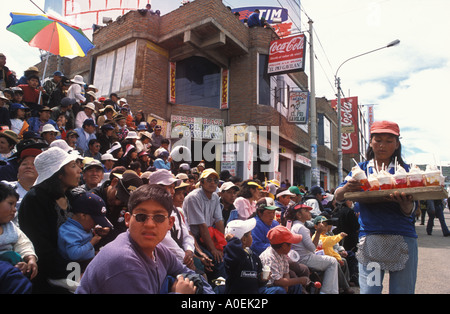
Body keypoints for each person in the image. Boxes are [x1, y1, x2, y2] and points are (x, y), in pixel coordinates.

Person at [76, 184, 214, 294]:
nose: (149, 224)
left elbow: (191, 274)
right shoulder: (123, 261)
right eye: (141, 216)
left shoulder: (160, 251)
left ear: (170, 223)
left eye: (159, 217)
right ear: (128, 220)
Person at [334, 120, 418, 294]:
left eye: (389, 141)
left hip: (403, 238)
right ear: (371, 142)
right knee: (370, 291)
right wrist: (346, 188)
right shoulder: (361, 170)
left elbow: (410, 210)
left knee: (402, 291)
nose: (382, 145)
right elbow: (338, 196)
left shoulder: (407, 172)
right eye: (378, 140)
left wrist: (406, 203)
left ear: (397, 144)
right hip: (371, 241)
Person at [18, 147, 81, 293]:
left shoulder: (71, 196)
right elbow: (42, 250)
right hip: (49, 279)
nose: (79, 170)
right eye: (73, 166)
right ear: (59, 174)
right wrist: (76, 273)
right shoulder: (34, 200)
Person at [182, 168, 226, 282]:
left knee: (227, 254)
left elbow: (219, 221)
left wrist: (221, 246)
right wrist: (213, 249)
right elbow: (202, 226)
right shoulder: (194, 197)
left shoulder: (215, 197)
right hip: (193, 238)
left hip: (208, 235)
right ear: (201, 182)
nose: (212, 183)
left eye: (215, 181)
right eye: (209, 180)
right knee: (214, 259)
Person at [285, 203, 339, 294]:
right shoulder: (301, 228)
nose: (309, 213)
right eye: (306, 211)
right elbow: (312, 248)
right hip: (305, 258)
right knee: (333, 261)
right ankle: (327, 292)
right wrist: (318, 233)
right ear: (299, 215)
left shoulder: (294, 225)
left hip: (299, 257)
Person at [224, 218, 284, 294]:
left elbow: (257, 282)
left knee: (277, 291)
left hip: (254, 291)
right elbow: (234, 253)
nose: (252, 237)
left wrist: (261, 279)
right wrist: (233, 241)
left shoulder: (253, 256)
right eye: (250, 235)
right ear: (244, 240)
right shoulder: (233, 256)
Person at [57, 192, 112, 270]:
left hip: (87, 262)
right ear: (83, 216)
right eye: (95, 221)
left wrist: (95, 231)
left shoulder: (83, 226)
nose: (96, 224)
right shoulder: (69, 231)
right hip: (72, 268)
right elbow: (74, 255)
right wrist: (92, 242)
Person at [0, 183, 38, 281]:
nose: (14, 209)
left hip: (14, 271)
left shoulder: (10, 227)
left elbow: (23, 243)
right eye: (10, 204)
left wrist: (30, 258)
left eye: (15, 205)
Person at [312, 215, 354, 294]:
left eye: (325, 225)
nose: (324, 227)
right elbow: (329, 241)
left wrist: (339, 257)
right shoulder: (317, 236)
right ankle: (346, 287)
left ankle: (344, 283)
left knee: (343, 260)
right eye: (322, 224)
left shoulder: (326, 235)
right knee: (336, 263)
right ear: (316, 226)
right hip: (321, 259)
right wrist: (340, 236)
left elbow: (332, 251)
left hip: (329, 257)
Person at [259, 225, 305, 294]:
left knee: (296, 285)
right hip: (268, 287)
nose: (291, 246)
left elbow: (286, 272)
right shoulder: (270, 257)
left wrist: (286, 284)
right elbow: (277, 281)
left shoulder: (282, 253)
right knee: (279, 290)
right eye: (290, 244)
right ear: (284, 246)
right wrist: (300, 280)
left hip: (279, 284)